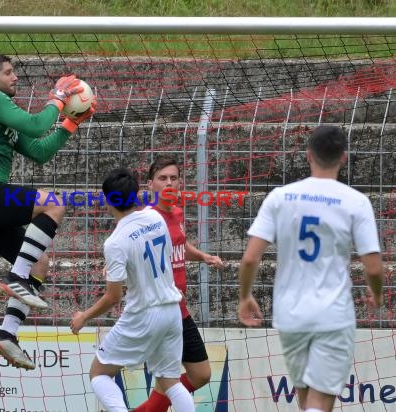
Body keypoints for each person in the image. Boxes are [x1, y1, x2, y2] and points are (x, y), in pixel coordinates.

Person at [0, 53, 96, 369]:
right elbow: (36, 123)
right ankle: (16, 277)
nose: (15, 77)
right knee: (53, 202)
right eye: (8, 71)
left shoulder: (3, 115)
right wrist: (59, 99)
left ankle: (7, 335)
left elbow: (40, 150)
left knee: (40, 262)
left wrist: (71, 122)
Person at [238, 126, 384, 412]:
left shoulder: (281, 197)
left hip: (290, 314)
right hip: (332, 314)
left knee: (305, 398)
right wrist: (376, 295)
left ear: (308, 156)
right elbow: (374, 268)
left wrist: (245, 296)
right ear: (343, 157)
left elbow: (250, 258)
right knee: (321, 401)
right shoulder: (355, 201)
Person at [70, 168, 195, 412]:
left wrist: (84, 316)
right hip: (171, 310)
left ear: (107, 201)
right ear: (137, 194)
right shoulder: (155, 217)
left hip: (144, 314)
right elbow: (164, 256)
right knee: (170, 381)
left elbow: (113, 296)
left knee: (99, 372)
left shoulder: (116, 241)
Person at [133, 156, 224, 411]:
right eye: (163, 178)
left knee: (201, 375)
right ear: (150, 185)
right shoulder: (146, 219)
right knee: (169, 384)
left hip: (180, 310)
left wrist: (203, 256)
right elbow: (129, 248)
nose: (169, 182)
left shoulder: (177, 212)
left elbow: (179, 245)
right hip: (158, 312)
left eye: (174, 178)